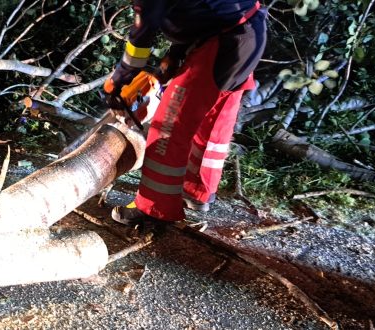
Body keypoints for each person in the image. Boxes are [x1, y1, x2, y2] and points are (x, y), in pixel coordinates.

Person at [105, 0, 267, 225]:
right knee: (213, 120)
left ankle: (153, 208)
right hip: (249, 32)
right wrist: (175, 53)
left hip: (223, 42)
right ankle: (197, 190)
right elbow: (201, 10)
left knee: (168, 125)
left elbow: (144, 32)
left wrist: (123, 76)